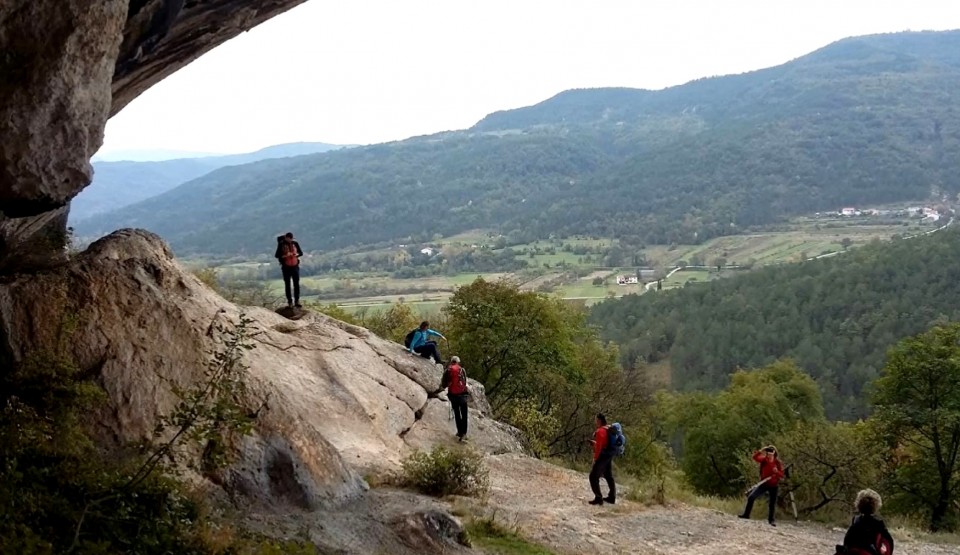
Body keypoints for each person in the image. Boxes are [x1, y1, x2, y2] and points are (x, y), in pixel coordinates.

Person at [836, 489, 894, 555]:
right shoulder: (878, 523)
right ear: (876, 505)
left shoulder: (856, 520)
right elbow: (889, 542)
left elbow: (847, 540)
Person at [738, 445, 784, 526]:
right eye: (768, 452)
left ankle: (771, 520)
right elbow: (755, 457)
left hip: (773, 485)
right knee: (751, 497)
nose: (770, 454)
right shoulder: (764, 460)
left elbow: (781, 475)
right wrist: (761, 450)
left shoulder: (777, 462)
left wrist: (776, 472)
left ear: (774, 453)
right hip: (764, 483)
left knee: (772, 503)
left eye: (771, 452)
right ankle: (746, 515)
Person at [588, 413, 616, 506]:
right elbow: (604, 444)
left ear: (599, 421)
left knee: (593, 476)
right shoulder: (608, 429)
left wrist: (595, 459)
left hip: (602, 456)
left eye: (596, 420)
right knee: (608, 475)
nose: (595, 422)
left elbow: (599, 448)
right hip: (609, 454)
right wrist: (595, 443)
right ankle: (612, 497)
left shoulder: (600, 431)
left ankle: (598, 498)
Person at [440, 356, 470, 441]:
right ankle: (464, 434)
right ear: (458, 362)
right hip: (462, 395)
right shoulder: (462, 370)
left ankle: (459, 432)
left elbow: (443, 384)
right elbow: (464, 382)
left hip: (453, 396)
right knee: (464, 414)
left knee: (457, 413)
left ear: (451, 361)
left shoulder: (448, 370)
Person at [274, 232, 303, 308]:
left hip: (295, 266)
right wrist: (285, 255)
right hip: (286, 267)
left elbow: (301, 253)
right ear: (286, 238)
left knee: (296, 284)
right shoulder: (281, 244)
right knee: (288, 285)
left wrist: (296, 255)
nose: (290, 240)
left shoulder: (295, 243)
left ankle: (297, 301)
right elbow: (277, 255)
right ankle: (290, 302)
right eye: (288, 239)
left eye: (291, 239)